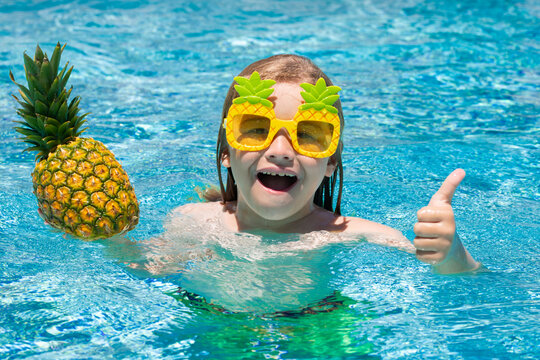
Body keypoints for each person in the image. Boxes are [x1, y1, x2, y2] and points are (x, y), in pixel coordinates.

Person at [173, 54, 480, 275]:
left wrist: (451, 255)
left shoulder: (359, 237)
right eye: (255, 130)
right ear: (226, 150)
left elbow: (463, 284)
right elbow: (144, 273)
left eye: (308, 134)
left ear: (331, 160)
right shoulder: (190, 222)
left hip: (317, 331)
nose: (280, 151)